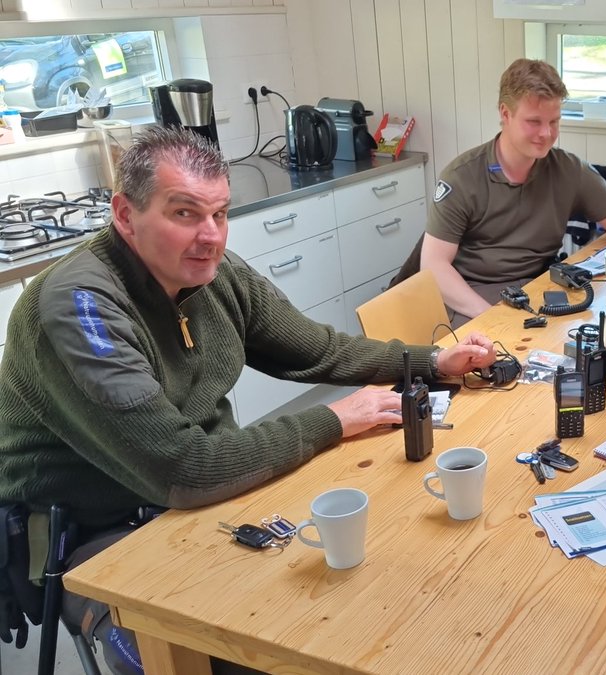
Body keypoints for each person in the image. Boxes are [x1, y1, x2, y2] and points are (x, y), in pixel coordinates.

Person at [0, 126, 496, 674]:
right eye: (184, 213)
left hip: (208, 498)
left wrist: (430, 362)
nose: (210, 236)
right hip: (98, 531)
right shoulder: (78, 308)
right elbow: (184, 469)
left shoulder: (216, 274)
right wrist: (333, 420)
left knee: (367, 599)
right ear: (124, 214)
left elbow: (319, 350)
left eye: (219, 214)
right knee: (242, 652)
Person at [417, 58, 606, 325]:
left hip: (538, 287)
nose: (546, 133)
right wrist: (491, 316)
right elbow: (434, 267)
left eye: (554, 121)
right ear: (505, 114)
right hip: (473, 295)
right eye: (534, 122)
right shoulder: (461, 177)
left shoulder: (568, 169)